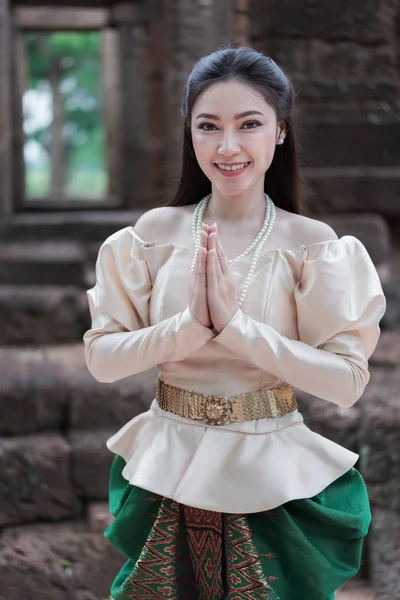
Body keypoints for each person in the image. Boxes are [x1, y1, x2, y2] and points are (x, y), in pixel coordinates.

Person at [83, 46, 386, 600]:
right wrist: (190, 326)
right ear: (190, 134)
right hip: (167, 461)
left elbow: (347, 381)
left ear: (280, 131)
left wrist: (239, 329)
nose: (227, 147)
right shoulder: (152, 234)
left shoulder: (313, 246)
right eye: (208, 127)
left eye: (249, 124)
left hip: (271, 465)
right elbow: (103, 360)